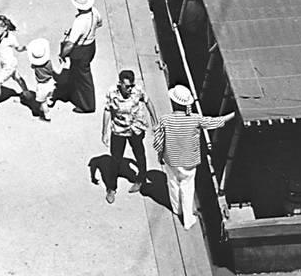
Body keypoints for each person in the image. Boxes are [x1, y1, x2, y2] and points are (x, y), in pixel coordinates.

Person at [152, 84, 235, 230]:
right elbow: (215, 122)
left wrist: (160, 156)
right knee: (187, 187)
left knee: (172, 184)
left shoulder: (165, 120)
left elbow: (158, 141)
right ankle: (188, 219)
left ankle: (176, 210)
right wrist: (233, 114)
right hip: (189, 161)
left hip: (171, 159)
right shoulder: (195, 119)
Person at [101, 70, 152, 203]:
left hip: (135, 128)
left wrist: (155, 120)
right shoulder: (112, 93)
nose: (130, 89)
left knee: (140, 154)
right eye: (127, 86)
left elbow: (147, 101)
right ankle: (111, 188)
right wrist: (104, 133)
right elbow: (107, 111)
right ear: (120, 84)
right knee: (115, 160)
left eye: (131, 86)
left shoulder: (138, 90)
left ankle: (141, 179)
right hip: (119, 130)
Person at [59, 0, 103, 113]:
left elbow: (70, 45)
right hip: (91, 45)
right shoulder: (94, 12)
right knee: (76, 72)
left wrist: (62, 54)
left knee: (84, 78)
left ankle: (88, 105)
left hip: (80, 50)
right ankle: (71, 92)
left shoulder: (79, 21)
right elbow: (100, 23)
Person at [25, 37, 59, 120]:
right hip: (50, 82)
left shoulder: (35, 66)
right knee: (49, 94)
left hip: (41, 85)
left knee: (42, 102)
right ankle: (50, 100)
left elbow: (32, 65)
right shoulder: (49, 63)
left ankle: (47, 115)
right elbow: (54, 71)